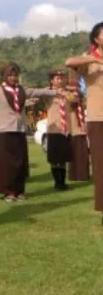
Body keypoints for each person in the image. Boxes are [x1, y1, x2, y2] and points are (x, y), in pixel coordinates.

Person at [0, 62, 72, 203]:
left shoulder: (22, 90)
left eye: (15, 75)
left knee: (20, 163)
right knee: (6, 164)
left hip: (20, 131)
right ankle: (9, 192)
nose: (13, 78)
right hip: (4, 132)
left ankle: (19, 190)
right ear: (4, 76)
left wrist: (56, 92)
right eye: (10, 75)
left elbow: (39, 92)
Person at [66, 22, 103, 224]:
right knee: (101, 164)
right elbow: (69, 62)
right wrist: (93, 58)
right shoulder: (90, 61)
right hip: (98, 118)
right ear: (96, 39)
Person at [44, 70, 73, 190]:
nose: (60, 80)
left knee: (64, 158)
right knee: (55, 158)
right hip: (54, 129)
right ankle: (57, 182)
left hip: (65, 129)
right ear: (52, 81)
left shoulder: (68, 93)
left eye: (62, 78)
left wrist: (67, 92)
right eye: (57, 78)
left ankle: (63, 182)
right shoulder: (47, 93)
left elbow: (75, 100)